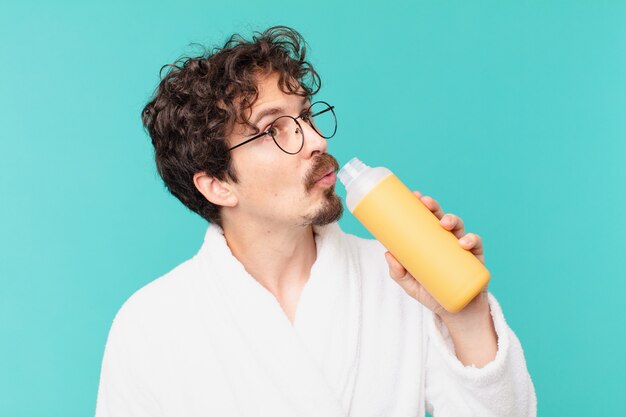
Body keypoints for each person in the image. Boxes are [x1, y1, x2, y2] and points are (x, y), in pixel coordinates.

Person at [95, 26, 537, 417]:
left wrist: (466, 316)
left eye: (304, 116)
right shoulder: (150, 326)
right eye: (274, 130)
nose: (316, 140)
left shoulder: (404, 281)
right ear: (217, 185)